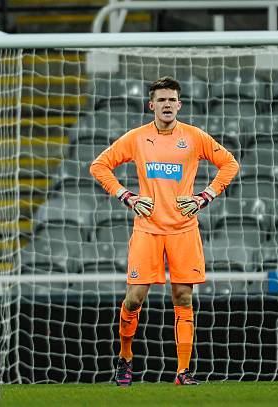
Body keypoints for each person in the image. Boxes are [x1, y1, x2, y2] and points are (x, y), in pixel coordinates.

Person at [90, 76, 240, 386]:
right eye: (161, 100)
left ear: (179, 104)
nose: (167, 104)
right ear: (152, 105)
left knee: (183, 297)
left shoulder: (194, 137)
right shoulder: (136, 138)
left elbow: (229, 164)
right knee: (134, 299)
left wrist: (205, 196)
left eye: (172, 99)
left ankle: (182, 372)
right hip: (148, 229)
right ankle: (125, 357)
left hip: (184, 229)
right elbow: (99, 166)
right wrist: (127, 196)